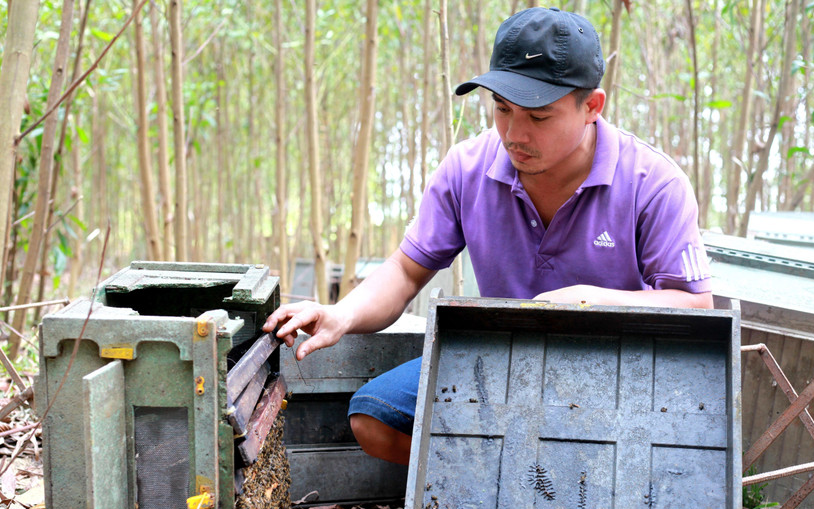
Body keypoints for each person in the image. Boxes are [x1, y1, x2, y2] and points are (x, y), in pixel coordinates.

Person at [263, 7, 713, 466]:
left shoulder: (653, 182)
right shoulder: (467, 168)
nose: (514, 134)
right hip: (499, 362)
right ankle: (494, 487)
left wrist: (586, 303)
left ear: (592, 107)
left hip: (613, 371)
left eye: (539, 117)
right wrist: (341, 314)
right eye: (502, 109)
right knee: (374, 421)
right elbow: (404, 270)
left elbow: (696, 307)